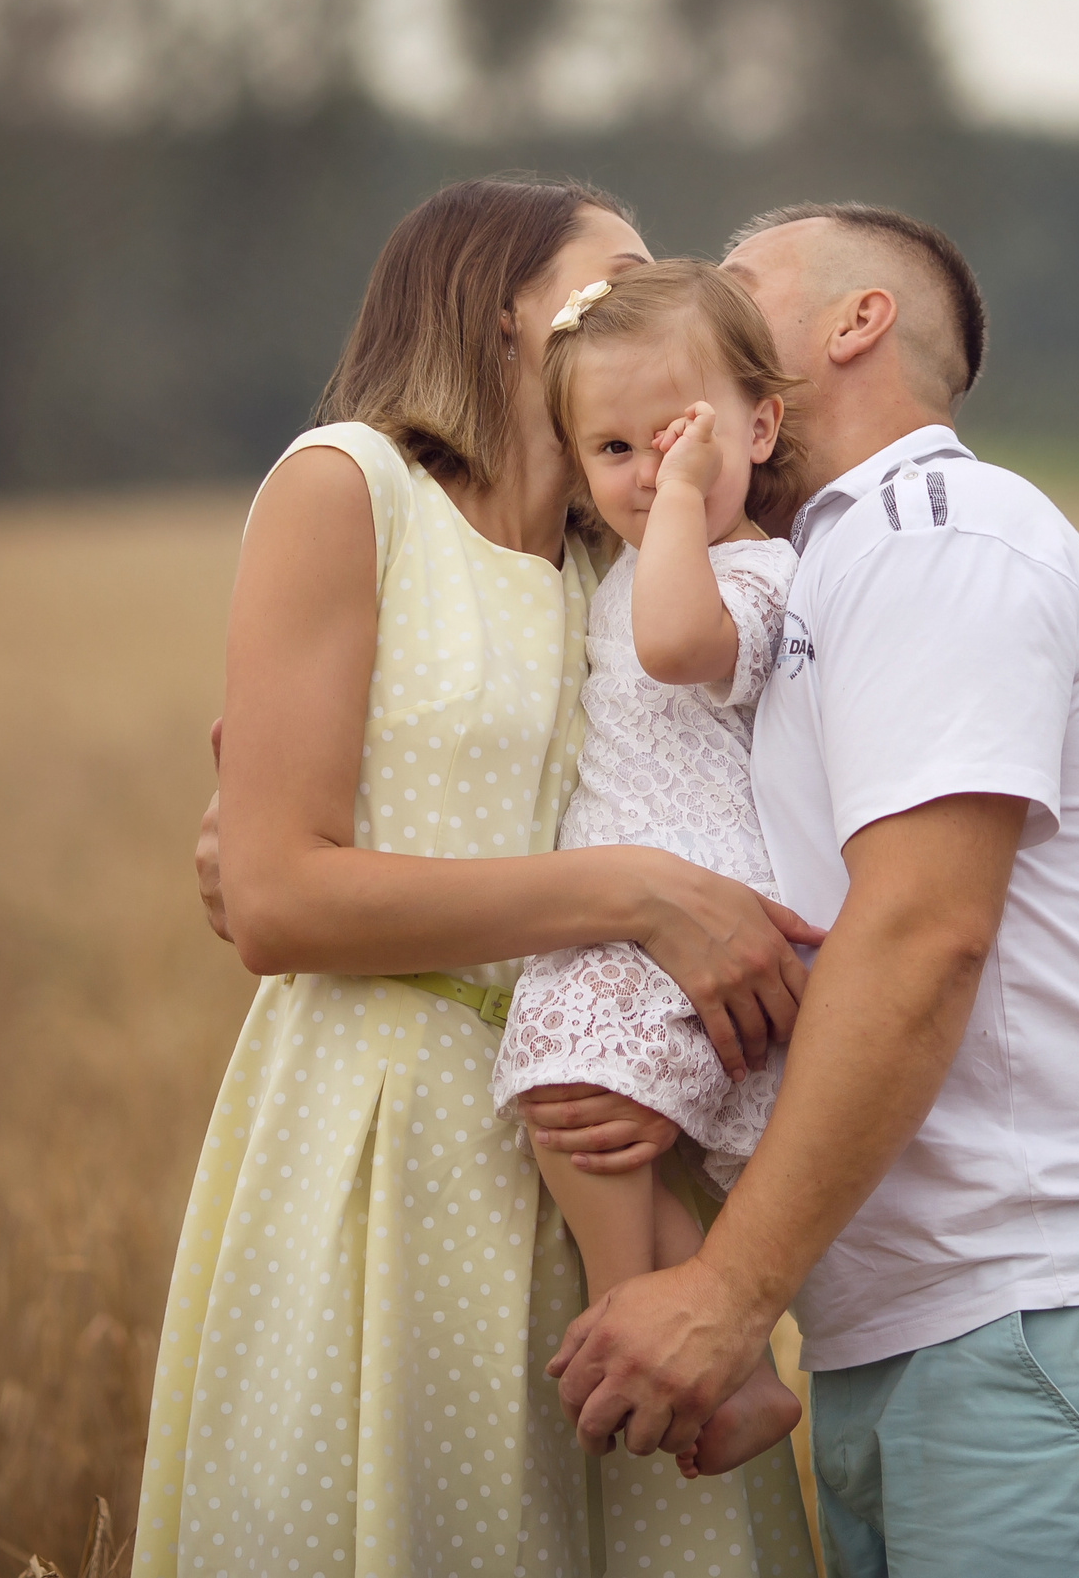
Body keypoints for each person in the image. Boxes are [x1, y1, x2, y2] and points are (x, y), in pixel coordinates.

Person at [543, 204, 1079, 1577]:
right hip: (935, 1330)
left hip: (1039, 1319)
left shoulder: (935, 535)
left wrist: (726, 1291)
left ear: (853, 325)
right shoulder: (819, 569)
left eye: (740, 295)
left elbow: (925, 932)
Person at [142, 177, 820, 1578]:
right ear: (502, 308)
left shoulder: (626, 556)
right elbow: (275, 898)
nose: (650, 306)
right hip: (396, 1131)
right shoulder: (350, 488)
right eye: (612, 279)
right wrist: (635, 896)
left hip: (612, 1136)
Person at [488, 262, 811, 1479]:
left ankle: (661, 1332)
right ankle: (725, 1374)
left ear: (760, 426)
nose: (644, 471)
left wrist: (677, 500)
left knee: (574, 1100)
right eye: (612, 448)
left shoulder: (754, 573)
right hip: (636, 918)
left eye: (675, 438)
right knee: (578, 1117)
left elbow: (677, 647)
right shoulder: (631, 558)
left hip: (699, 904)